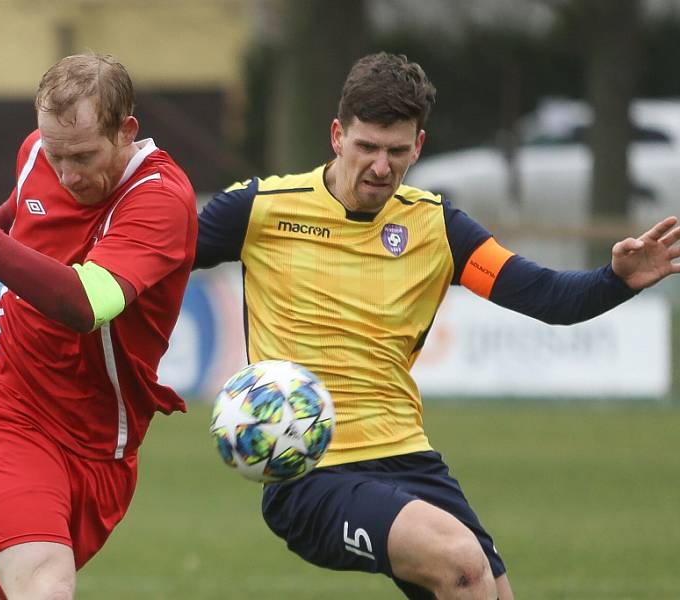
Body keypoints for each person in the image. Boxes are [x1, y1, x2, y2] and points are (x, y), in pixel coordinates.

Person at [194, 52, 680, 600]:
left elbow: (546, 296)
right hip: (311, 472)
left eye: (397, 151)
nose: (381, 166)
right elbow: (151, 258)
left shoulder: (438, 229)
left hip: (409, 457)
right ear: (337, 136)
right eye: (367, 147)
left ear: (418, 147)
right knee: (461, 566)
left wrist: (617, 280)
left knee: (491, 590)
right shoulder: (259, 209)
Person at [0, 53, 197, 599]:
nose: (68, 173)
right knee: (46, 584)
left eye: (83, 155)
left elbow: (81, 303)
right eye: (56, 154)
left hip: (102, 443)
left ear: (127, 131)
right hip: (8, 408)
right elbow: (14, 218)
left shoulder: (161, 200)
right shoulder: (37, 155)